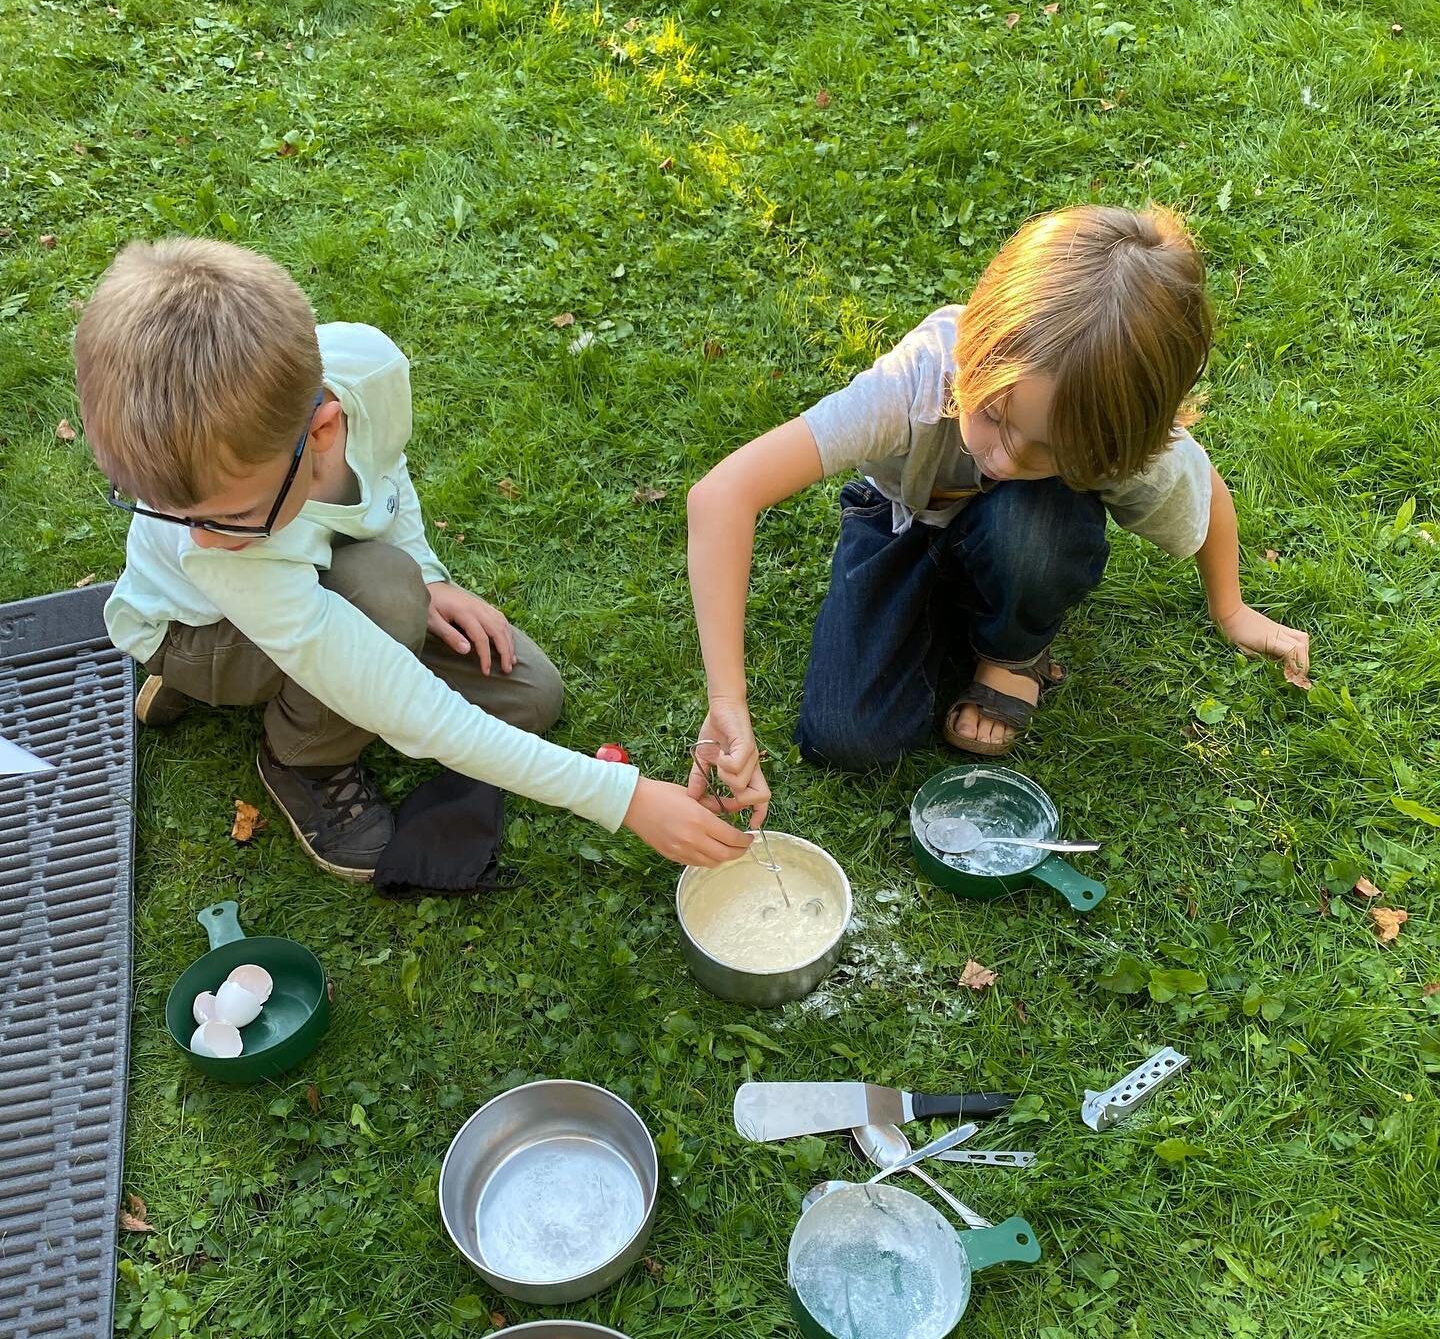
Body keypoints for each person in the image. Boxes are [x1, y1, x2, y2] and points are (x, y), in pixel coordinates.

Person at [79, 238, 749, 880]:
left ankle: (338, 644)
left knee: (530, 695)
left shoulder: (368, 367)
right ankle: (300, 759)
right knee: (387, 600)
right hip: (190, 628)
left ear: (323, 429)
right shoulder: (222, 556)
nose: (196, 536)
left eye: (224, 513)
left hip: (315, 579)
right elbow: (412, 711)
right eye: (165, 509)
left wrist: (429, 574)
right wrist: (621, 799)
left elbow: (385, 469)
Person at [685, 204, 1310, 816]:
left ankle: (1011, 652)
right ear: (976, 348)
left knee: (1032, 521)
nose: (1005, 460)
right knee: (848, 738)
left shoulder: (1119, 435)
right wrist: (728, 700)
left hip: (1028, 536)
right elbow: (721, 496)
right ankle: (947, 615)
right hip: (903, 523)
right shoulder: (918, 379)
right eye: (994, 417)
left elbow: (1204, 492)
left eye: (1049, 449)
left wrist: (1230, 609)